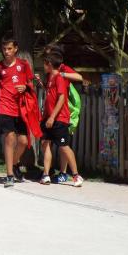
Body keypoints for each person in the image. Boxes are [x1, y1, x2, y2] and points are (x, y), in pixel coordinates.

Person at [0, 36, 34, 188]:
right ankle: (9, 175)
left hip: (21, 107)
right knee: (10, 138)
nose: (6, 52)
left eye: (9, 49)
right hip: (5, 106)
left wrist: (25, 87)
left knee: (23, 141)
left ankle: (13, 163)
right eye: (4, 49)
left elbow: (30, 83)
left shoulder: (24, 65)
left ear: (15, 49)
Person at [39, 52, 84, 187]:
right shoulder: (51, 77)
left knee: (63, 147)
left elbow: (61, 98)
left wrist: (52, 117)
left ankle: (76, 176)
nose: (43, 65)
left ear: (50, 64)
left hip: (59, 118)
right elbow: (51, 95)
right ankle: (46, 174)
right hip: (48, 117)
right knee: (45, 143)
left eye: (45, 63)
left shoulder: (59, 77)